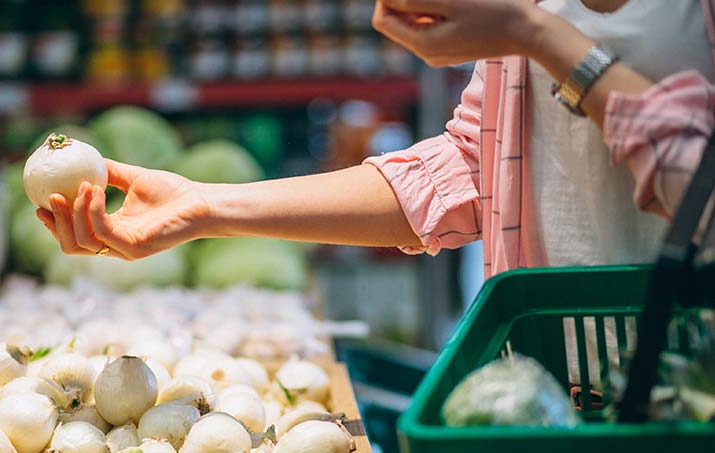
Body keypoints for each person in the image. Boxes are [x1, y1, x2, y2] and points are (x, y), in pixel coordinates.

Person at [38, 0, 714, 281]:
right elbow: (471, 170)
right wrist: (207, 208)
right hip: (553, 395)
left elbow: (700, 193)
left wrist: (535, 36)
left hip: (691, 394)